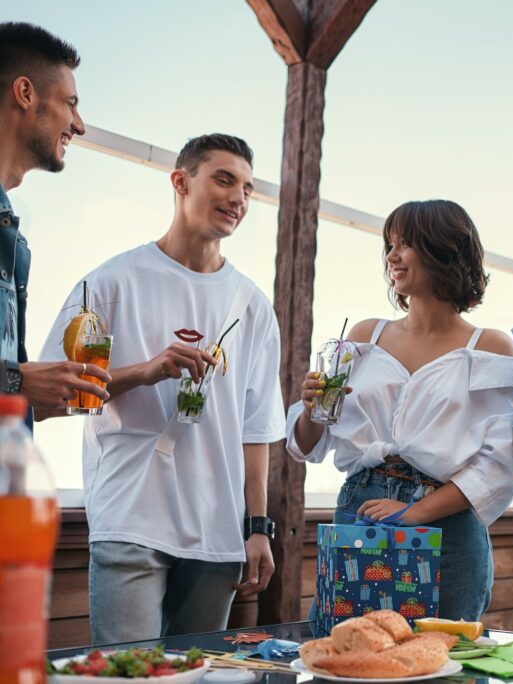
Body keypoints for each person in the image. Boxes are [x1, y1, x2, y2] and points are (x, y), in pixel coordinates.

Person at [38, 134, 285, 643]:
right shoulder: (110, 283)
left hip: (217, 532)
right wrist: (144, 372)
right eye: (223, 179)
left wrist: (258, 527)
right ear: (180, 181)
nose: (238, 197)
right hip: (130, 518)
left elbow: (256, 429)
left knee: (197, 678)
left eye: (247, 187)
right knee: (128, 676)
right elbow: (47, 397)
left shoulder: (253, 305)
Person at [286, 199, 513, 621]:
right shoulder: (363, 336)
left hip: (446, 520)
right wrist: (308, 410)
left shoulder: (491, 347)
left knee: (443, 658)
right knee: (345, 650)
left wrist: (414, 512)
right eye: (389, 245)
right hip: (362, 505)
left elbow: (501, 463)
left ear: (444, 250)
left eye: (405, 244)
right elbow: (307, 443)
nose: (391, 256)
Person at [0, 22, 108, 415]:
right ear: (25, 93)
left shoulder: (12, 238)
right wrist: (19, 380)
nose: (78, 124)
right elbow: (12, 381)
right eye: (71, 103)